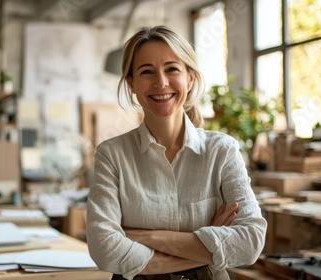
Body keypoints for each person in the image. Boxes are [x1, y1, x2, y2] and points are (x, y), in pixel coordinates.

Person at [86, 25, 267, 280]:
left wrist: (146, 237)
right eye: (146, 72)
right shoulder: (112, 155)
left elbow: (250, 242)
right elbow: (104, 249)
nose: (161, 82)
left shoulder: (221, 151)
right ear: (132, 84)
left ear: (189, 77)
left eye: (172, 69)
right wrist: (207, 244)